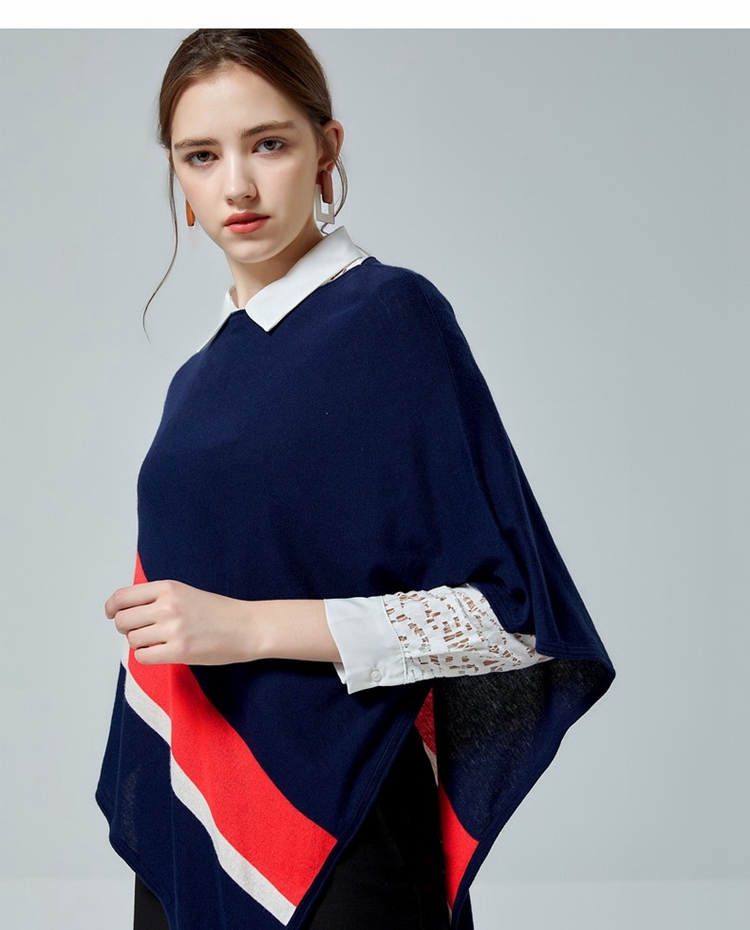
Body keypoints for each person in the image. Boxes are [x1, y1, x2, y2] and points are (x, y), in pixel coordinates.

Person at [96, 28, 615, 930]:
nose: (237, 186)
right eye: (201, 156)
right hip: (200, 816)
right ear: (178, 181)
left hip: (344, 827)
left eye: (268, 143)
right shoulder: (197, 378)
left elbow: (506, 622)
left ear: (326, 150)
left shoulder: (390, 318)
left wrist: (247, 627)